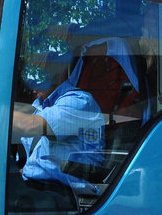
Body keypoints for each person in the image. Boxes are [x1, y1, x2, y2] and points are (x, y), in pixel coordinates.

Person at [11, 27, 106, 196]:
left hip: (68, 196)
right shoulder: (40, 104)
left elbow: (28, 126)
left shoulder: (79, 101)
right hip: (39, 189)